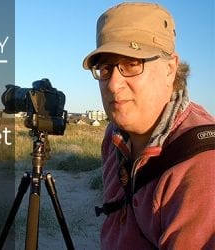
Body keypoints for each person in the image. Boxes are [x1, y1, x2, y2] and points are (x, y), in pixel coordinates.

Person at [82, 2, 215, 249]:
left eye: (132, 63)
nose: (113, 84)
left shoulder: (201, 164)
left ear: (170, 68)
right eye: (105, 68)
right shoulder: (114, 136)